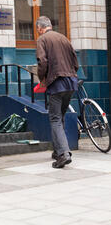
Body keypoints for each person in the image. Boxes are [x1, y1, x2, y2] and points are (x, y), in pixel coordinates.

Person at [35, 16, 79, 168]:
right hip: (71, 82)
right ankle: (58, 150)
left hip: (57, 83)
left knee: (54, 118)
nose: (38, 32)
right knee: (60, 117)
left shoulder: (42, 39)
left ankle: (63, 154)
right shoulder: (63, 38)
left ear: (40, 28)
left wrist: (42, 79)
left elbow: (42, 62)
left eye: (37, 30)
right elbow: (75, 61)